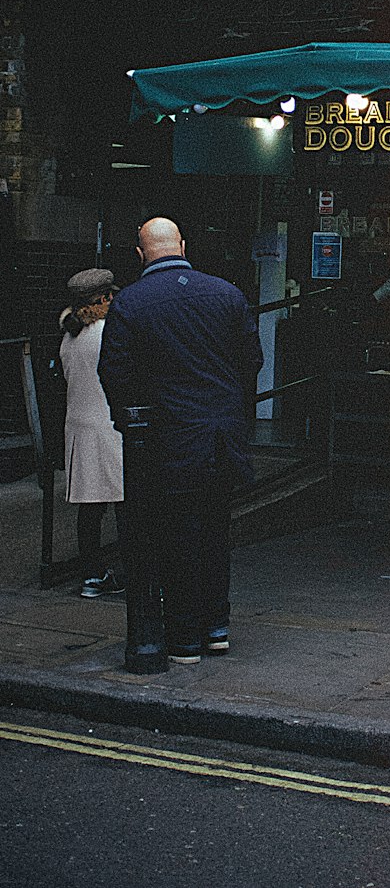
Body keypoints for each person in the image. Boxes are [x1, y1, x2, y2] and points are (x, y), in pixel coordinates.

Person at [98, 217, 263, 665]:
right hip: (221, 440)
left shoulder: (131, 303)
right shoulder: (227, 294)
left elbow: (113, 373)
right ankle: (216, 627)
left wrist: (132, 421)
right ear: (182, 245)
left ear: (140, 253)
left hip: (168, 445)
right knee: (214, 533)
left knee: (174, 537)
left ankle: (186, 637)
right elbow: (252, 361)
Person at [59, 268, 126, 599]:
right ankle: (132, 573)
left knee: (90, 510)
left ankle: (91, 577)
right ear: (104, 299)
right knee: (126, 505)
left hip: (79, 427)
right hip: (109, 428)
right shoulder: (109, 332)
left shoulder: (71, 335)